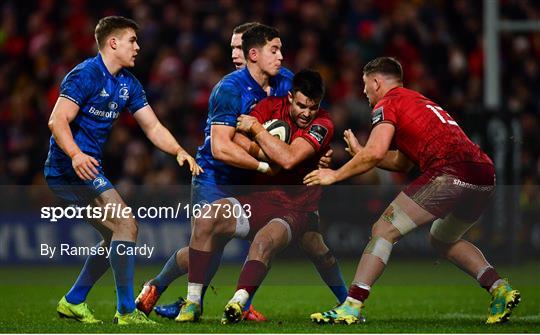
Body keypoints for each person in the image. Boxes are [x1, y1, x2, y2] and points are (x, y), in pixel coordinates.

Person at [136, 23, 347, 322]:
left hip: (262, 181)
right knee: (210, 248)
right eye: (275, 50)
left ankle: (241, 302)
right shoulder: (229, 89)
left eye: (280, 50)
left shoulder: (287, 83)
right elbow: (222, 148)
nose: (281, 56)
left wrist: (316, 153)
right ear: (254, 54)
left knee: (294, 241)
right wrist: (267, 163)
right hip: (217, 176)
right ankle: (165, 290)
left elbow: (307, 122)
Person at [304, 57, 521, 325]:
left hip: (449, 172)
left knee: (383, 230)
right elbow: (400, 162)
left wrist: (335, 174)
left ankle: (351, 305)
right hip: (483, 174)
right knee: (442, 239)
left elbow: (376, 153)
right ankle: (499, 289)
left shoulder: (388, 103)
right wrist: (362, 153)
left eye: (365, 85)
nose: (363, 92)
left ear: (376, 82)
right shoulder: (417, 101)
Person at [44, 16, 201, 325]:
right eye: (132, 40)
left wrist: (179, 151)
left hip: (86, 167)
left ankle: (74, 300)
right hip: (69, 166)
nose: (138, 47)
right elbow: (56, 120)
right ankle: (127, 311)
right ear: (113, 42)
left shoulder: (128, 84)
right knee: (127, 225)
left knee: (117, 233)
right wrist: (75, 155)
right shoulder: (86, 74)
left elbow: (153, 126)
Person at [177, 69, 335, 324]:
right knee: (207, 219)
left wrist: (259, 132)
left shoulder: (323, 123)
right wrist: (263, 154)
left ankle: (349, 302)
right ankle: (193, 302)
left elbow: (288, 158)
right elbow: (236, 135)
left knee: (302, 247)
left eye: (313, 107)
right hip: (261, 198)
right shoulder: (269, 106)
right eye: (302, 105)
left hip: (296, 206)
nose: (307, 113)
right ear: (290, 97)